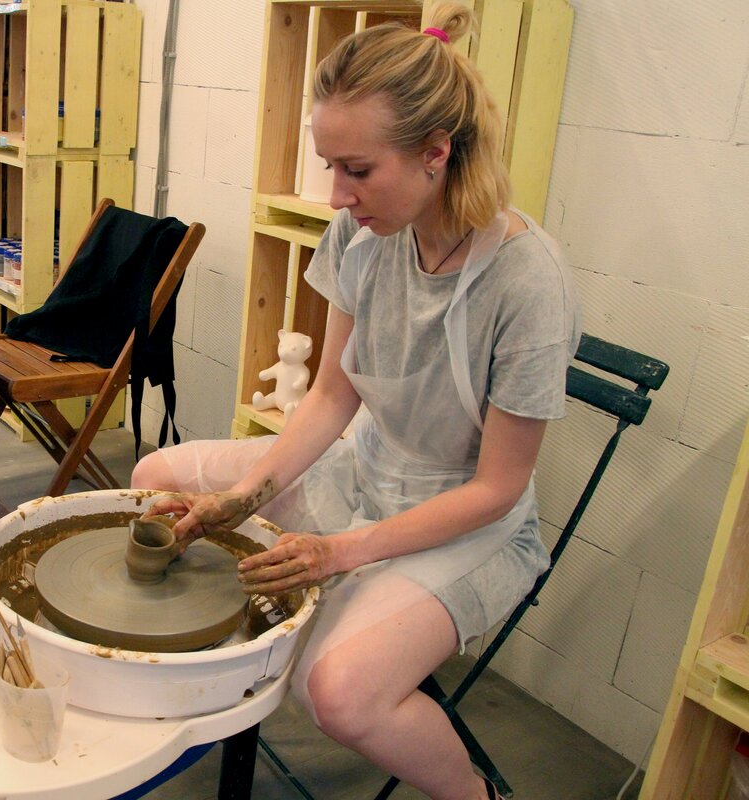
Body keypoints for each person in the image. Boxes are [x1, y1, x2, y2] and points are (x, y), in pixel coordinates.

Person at [131, 4, 581, 799]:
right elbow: (333, 397)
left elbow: (497, 489)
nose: (337, 196)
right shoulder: (363, 234)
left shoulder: (528, 281)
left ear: (436, 152)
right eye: (329, 166)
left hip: (466, 522)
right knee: (157, 479)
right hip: (365, 470)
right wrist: (243, 498)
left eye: (358, 170)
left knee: (335, 691)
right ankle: (217, 673)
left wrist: (340, 552)